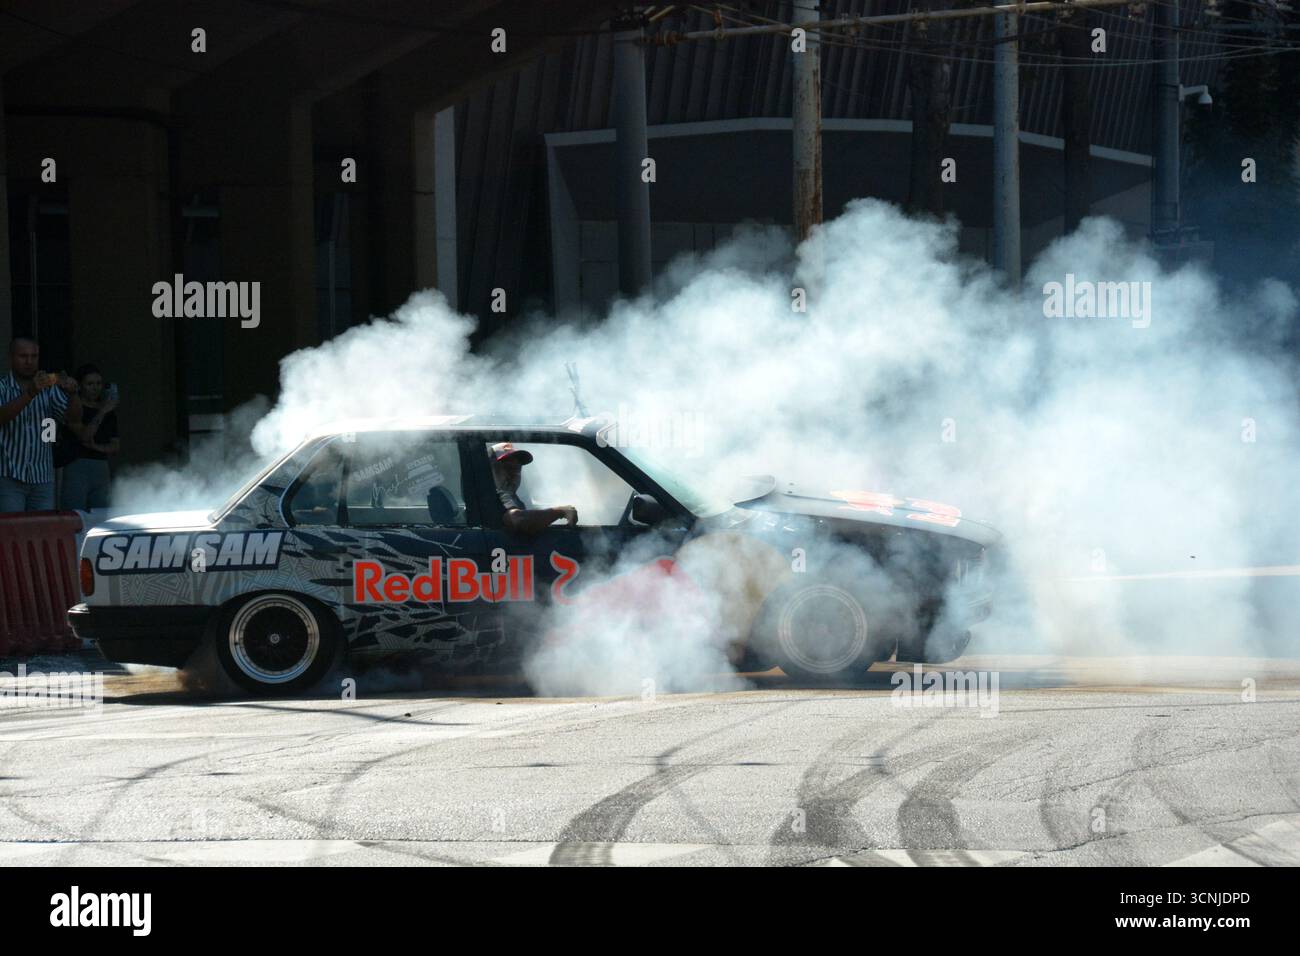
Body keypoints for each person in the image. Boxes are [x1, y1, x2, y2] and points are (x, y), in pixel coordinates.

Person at [0, 337, 81, 512]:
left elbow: (73, 419)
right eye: (23, 356)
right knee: (13, 533)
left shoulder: (49, 388)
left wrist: (73, 394)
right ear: (11, 358)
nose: (29, 362)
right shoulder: (2, 387)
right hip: (9, 476)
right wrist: (30, 393)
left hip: (42, 477)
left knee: (41, 531)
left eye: (34, 356)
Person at [59, 364, 119, 510]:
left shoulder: (108, 412)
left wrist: (96, 447)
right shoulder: (74, 407)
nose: (95, 388)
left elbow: (116, 446)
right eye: (90, 384)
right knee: (76, 513)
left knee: (101, 514)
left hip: (101, 467)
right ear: (80, 385)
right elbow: (86, 436)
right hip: (77, 465)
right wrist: (102, 412)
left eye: (98, 383)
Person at [489, 441, 578, 534]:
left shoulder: (507, 496)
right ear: (490, 470)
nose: (513, 474)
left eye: (517, 468)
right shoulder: (500, 493)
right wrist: (560, 511)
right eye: (507, 468)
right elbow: (518, 520)